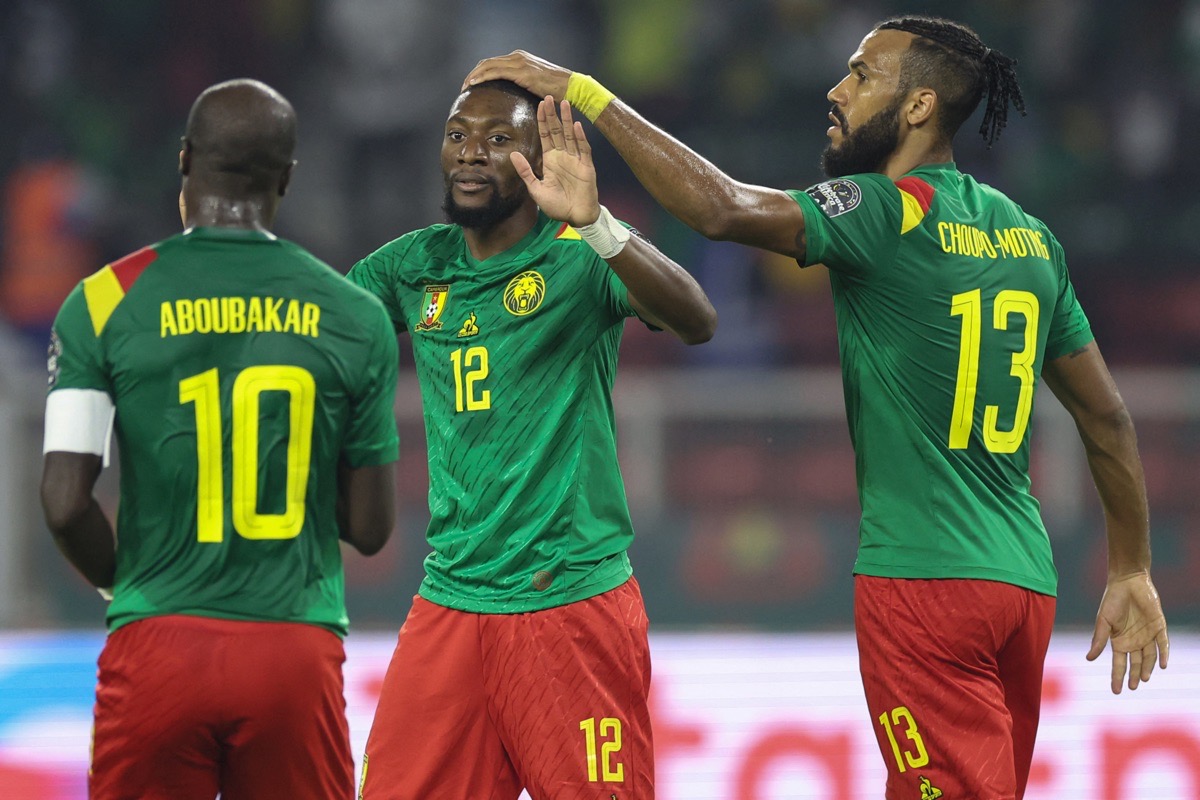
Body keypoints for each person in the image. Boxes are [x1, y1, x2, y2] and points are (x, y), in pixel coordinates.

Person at [465, 15, 1170, 800]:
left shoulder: (883, 210)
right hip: (1023, 584)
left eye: (863, 76)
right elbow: (1106, 416)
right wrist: (1131, 565)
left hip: (923, 583)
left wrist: (586, 93)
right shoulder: (1030, 239)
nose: (837, 91)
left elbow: (721, 209)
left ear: (918, 107)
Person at [347, 79, 716, 799]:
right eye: (458, 136)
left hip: (568, 604)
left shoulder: (579, 255)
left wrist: (599, 224)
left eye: (497, 138)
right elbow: (319, 337)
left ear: (539, 159)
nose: (471, 153)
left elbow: (696, 319)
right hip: (450, 602)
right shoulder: (412, 265)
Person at [39, 78, 400, 800]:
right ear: (287, 179)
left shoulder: (102, 301)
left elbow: (62, 503)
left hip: (158, 640)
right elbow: (368, 528)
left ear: (184, 161)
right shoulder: (354, 314)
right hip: (293, 649)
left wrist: (129, 581)